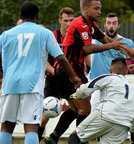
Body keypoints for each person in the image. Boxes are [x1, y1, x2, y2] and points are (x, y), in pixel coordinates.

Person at [44, 0, 134, 143]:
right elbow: (88, 49)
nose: (99, 12)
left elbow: (106, 40)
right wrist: (111, 45)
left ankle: (54, 136)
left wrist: (129, 50)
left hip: (67, 70)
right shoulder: (80, 25)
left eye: (100, 8)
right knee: (86, 111)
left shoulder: (91, 25)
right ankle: (77, 139)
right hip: (70, 71)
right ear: (86, 9)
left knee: (77, 110)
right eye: (96, 9)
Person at [0, 2, 81, 144]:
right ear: (37, 17)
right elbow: (60, 58)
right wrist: (72, 76)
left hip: (10, 84)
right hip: (32, 86)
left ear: (20, 16)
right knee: (31, 126)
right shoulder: (45, 33)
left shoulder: (6, 35)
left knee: (6, 126)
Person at [67, 57, 134, 144]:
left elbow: (86, 89)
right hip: (123, 124)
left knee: (75, 136)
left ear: (110, 70)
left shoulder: (107, 77)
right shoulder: (133, 89)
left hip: (105, 115)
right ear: (126, 71)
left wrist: (76, 95)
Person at [89, 12, 134, 112]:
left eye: (114, 23)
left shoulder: (126, 42)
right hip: (98, 83)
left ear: (118, 25)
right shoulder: (95, 39)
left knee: (116, 114)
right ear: (104, 25)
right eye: (108, 23)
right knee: (94, 114)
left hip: (117, 84)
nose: (111, 26)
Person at [38, 7, 75, 141]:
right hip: (54, 80)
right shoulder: (51, 36)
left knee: (80, 110)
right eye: (66, 20)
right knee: (44, 117)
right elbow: (43, 61)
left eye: (71, 20)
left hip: (71, 80)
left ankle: (54, 136)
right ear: (60, 21)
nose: (69, 23)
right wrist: (56, 72)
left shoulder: (76, 37)